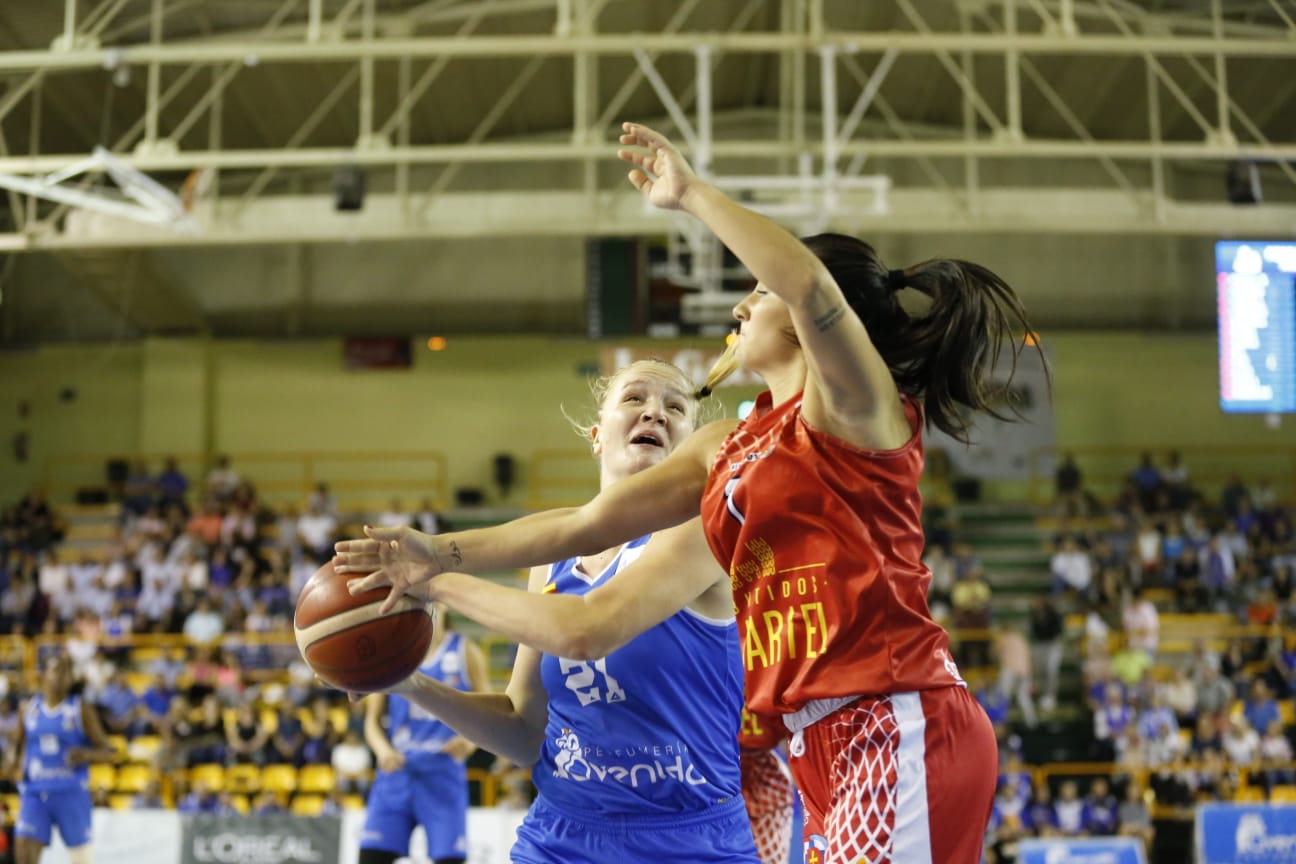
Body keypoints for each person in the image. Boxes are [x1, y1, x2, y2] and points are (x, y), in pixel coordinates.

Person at [338, 121, 1043, 863]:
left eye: (757, 293)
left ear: (810, 322)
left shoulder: (857, 410)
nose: (741, 308)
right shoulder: (731, 446)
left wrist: (693, 195)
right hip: (817, 742)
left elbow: (808, 282)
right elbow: (585, 523)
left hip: (892, 715)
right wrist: (433, 552)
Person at [349, 360, 769, 863]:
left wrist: (438, 582)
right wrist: (406, 683)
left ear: (693, 446)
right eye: (635, 398)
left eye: (675, 407)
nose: (654, 413)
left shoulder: (706, 529)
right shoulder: (554, 555)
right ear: (597, 436)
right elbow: (526, 732)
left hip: (689, 840)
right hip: (563, 834)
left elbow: (585, 632)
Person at [359, 605, 489, 864]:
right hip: (397, 771)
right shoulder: (391, 655)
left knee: (449, 859)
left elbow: (488, 713)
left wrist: (470, 741)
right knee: (371, 856)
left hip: (443, 771)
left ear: (443, 603)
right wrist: (383, 750)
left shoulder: (466, 652)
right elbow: (371, 722)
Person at [6, 654, 117, 864]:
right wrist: (13, 763)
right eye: (57, 669)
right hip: (35, 792)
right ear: (44, 675)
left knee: (82, 860)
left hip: (71, 792)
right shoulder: (28, 709)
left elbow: (109, 752)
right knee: (23, 853)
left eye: (67, 671)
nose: (62, 676)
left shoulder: (80, 709)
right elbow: (16, 745)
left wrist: (86, 754)